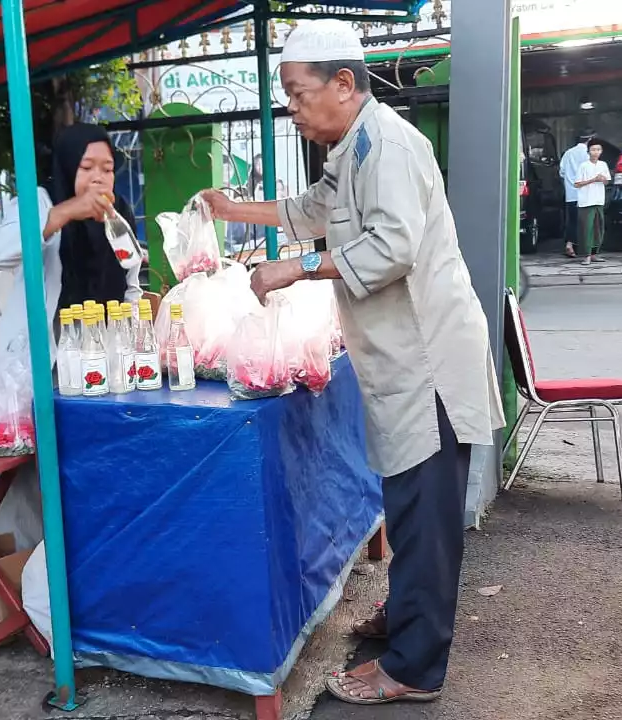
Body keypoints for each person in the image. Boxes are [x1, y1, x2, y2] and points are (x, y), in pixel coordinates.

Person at [199, 20, 504, 705]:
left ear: (344, 83)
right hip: (400, 360)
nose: (295, 112)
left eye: (299, 96)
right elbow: (310, 210)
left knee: (425, 520)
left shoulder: (388, 146)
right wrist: (229, 208)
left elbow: (392, 246)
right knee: (407, 505)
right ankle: (405, 621)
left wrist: (297, 269)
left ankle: (414, 668)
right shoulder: (351, 148)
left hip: (427, 363)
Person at [0, 122, 144, 550]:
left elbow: (131, 280)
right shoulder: (39, 203)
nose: (99, 177)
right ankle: (25, 572)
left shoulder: (119, 213)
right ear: (68, 166)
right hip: (43, 365)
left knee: (92, 467)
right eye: (87, 166)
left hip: (99, 359)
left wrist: (131, 336)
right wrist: (65, 213)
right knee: (34, 476)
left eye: (107, 168)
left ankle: (85, 563)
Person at [559, 130, 596, 258]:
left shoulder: (568, 153)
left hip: (571, 194)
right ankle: (588, 250)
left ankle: (570, 245)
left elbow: (562, 172)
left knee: (573, 221)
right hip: (586, 194)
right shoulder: (589, 155)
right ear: (590, 139)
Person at [573, 142, 611, 265]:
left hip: (598, 200)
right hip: (586, 202)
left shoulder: (603, 164)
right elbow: (577, 184)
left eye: (598, 150)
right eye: (593, 149)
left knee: (598, 229)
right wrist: (593, 180)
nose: (595, 152)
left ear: (601, 152)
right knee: (586, 229)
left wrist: (602, 179)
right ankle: (586, 255)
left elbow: (607, 182)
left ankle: (595, 253)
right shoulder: (583, 166)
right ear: (589, 151)